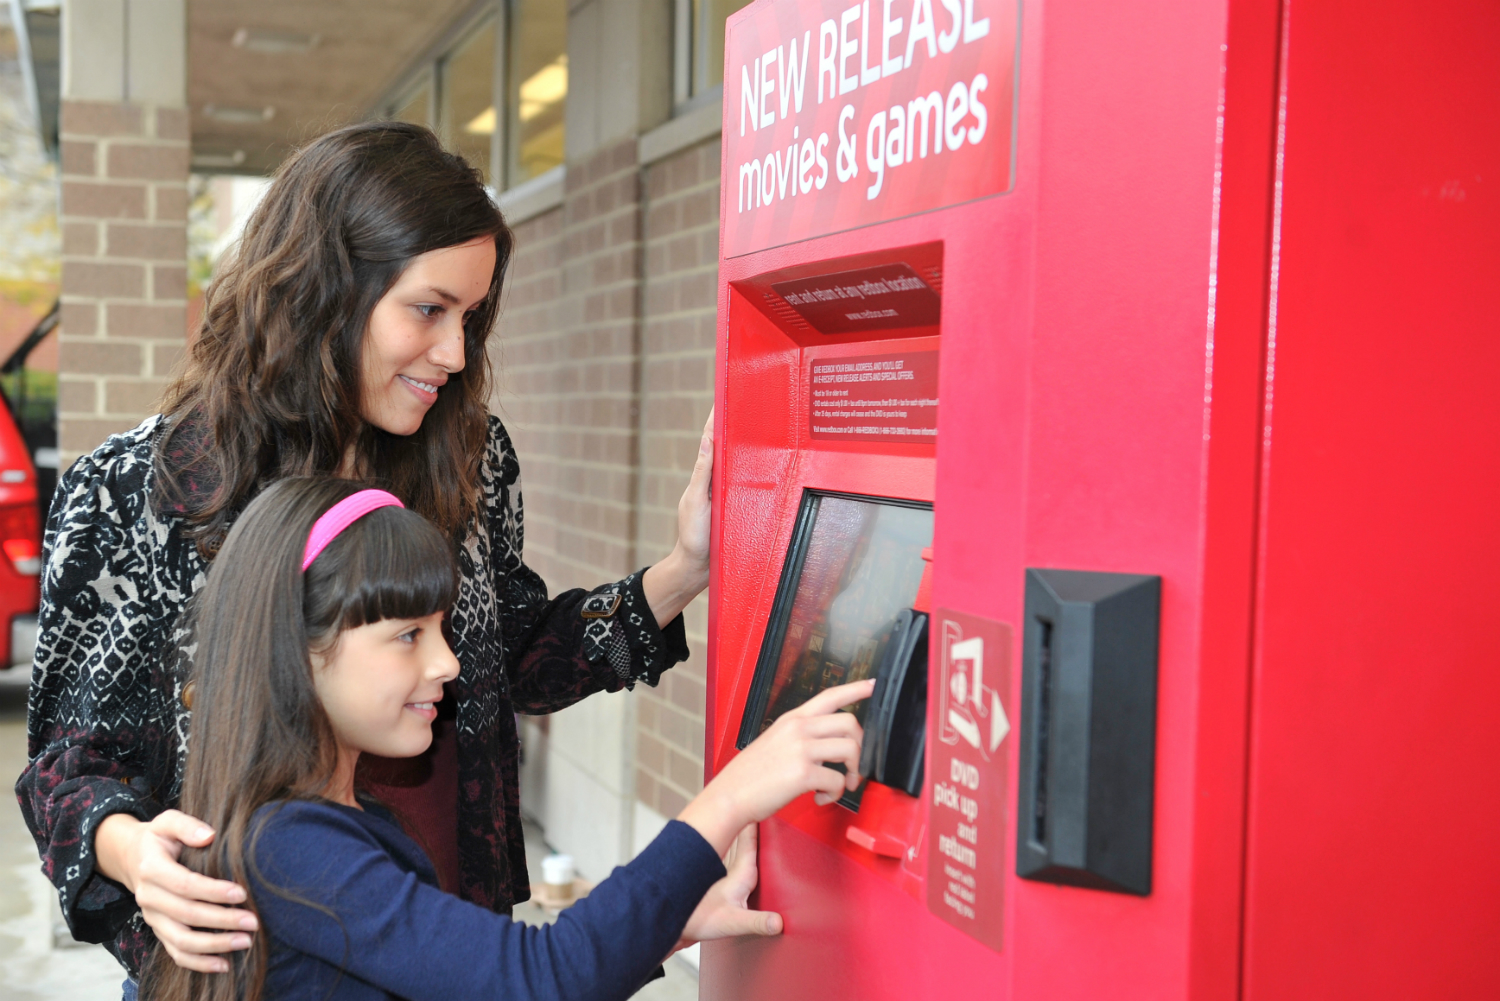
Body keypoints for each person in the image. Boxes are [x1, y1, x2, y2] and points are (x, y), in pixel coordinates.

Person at [16, 122, 719, 984]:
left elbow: (508, 660)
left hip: (454, 935)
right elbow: (67, 766)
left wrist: (684, 569)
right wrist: (131, 853)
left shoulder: (469, 452)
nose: (455, 354)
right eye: (428, 309)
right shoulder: (132, 488)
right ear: (325, 289)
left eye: (472, 316)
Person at [141, 478, 871, 1001]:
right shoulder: (289, 846)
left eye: (441, 628)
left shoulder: (320, 822)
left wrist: (667, 927)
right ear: (296, 652)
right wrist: (734, 794)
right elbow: (539, 977)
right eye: (407, 636)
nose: (448, 663)